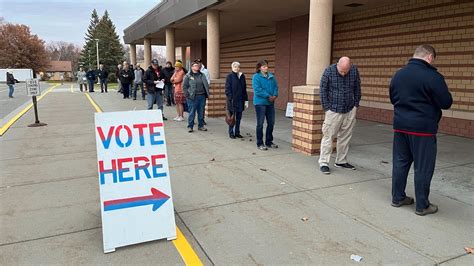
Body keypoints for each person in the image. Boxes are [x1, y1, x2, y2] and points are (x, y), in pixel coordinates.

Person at [389, 44, 452, 216]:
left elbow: (392, 97)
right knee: (423, 168)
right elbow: (446, 102)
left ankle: (398, 197)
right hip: (423, 129)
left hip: (400, 126)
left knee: (400, 163)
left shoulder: (398, 74)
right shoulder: (433, 77)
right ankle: (422, 205)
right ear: (430, 57)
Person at [318, 56, 361, 174]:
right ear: (338, 64)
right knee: (328, 136)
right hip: (333, 110)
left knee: (346, 136)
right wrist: (327, 108)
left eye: (346, 71)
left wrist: (356, 104)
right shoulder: (329, 71)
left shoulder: (354, 70)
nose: (343, 73)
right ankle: (324, 162)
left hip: (350, 109)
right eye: (341, 71)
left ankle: (341, 161)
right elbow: (322, 90)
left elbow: (357, 87)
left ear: (350, 67)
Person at [252, 60, 278, 151]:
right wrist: (268, 96)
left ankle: (269, 141)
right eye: (263, 66)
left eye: (266, 66)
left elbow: (275, 87)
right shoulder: (256, 77)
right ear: (259, 68)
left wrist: (275, 95)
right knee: (260, 123)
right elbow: (257, 90)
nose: (266, 68)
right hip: (260, 103)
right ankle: (260, 143)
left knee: (271, 122)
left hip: (270, 103)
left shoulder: (271, 77)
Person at [183, 60, 210, 132]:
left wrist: (207, 93)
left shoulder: (202, 75)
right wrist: (187, 95)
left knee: (201, 112)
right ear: (191, 67)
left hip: (202, 96)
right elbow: (184, 87)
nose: (197, 67)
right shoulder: (188, 76)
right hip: (192, 97)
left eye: (198, 66)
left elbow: (206, 84)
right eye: (195, 65)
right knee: (192, 112)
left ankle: (201, 126)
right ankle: (190, 126)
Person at [225, 61, 248, 139]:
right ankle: (231, 132)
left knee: (238, 118)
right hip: (232, 101)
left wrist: (246, 100)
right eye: (235, 67)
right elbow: (227, 90)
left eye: (238, 67)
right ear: (232, 68)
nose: (236, 68)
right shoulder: (229, 76)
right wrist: (231, 98)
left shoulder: (242, 76)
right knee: (232, 118)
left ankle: (237, 132)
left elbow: (244, 89)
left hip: (240, 101)